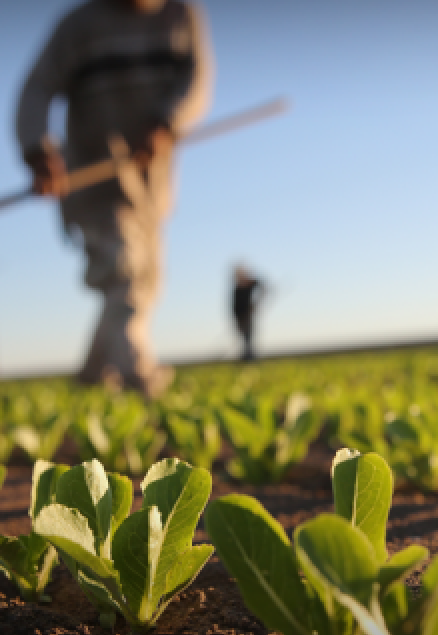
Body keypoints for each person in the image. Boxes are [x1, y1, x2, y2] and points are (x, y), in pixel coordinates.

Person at [15, 0, 214, 396]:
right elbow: (36, 90)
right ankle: (138, 374)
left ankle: (91, 377)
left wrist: (166, 121)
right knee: (124, 272)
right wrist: (38, 150)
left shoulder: (181, 16)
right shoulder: (78, 26)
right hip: (93, 177)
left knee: (148, 279)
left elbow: (196, 81)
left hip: (151, 184)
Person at [231, 265, 265, 361]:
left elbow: (263, 287)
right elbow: (235, 307)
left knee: (249, 337)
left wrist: (256, 303)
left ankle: (250, 357)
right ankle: (247, 356)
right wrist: (237, 319)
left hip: (248, 316)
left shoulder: (251, 283)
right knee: (244, 338)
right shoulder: (237, 289)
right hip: (239, 317)